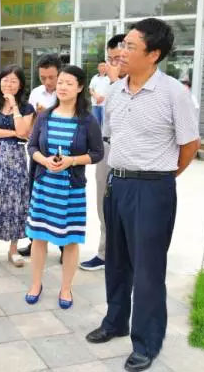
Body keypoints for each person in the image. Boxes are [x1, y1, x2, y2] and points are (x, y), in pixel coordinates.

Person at [85, 19, 199, 372]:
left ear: (154, 54)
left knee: (148, 270)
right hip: (116, 185)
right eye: (123, 46)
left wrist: (161, 176)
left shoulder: (174, 93)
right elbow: (113, 136)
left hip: (152, 189)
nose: (121, 52)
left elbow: (189, 145)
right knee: (116, 261)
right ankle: (115, 321)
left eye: (131, 46)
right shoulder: (115, 92)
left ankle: (147, 342)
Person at [24, 65, 103, 310]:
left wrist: (72, 161)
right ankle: (36, 284)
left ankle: (66, 288)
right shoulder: (44, 116)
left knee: (70, 240)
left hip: (71, 190)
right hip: (44, 187)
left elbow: (97, 153)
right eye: (60, 82)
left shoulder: (87, 120)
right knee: (38, 238)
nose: (63, 87)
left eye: (69, 83)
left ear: (80, 88)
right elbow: (31, 147)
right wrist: (44, 160)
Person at [80, 33, 127, 271]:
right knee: (103, 203)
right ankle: (104, 252)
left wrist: (116, 82)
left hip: (130, 153)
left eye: (118, 58)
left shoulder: (130, 86)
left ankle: (127, 255)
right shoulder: (110, 85)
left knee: (127, 206)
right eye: (111, 59)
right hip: (106, 148)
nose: (114, 64)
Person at [0, 65, 34, 268]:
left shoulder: (26, 108)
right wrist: (13, 133)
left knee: (15, 202)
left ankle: (13, 249)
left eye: (14, 81)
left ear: (20, 85)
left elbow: (24, 131)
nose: (9, 84)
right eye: (5, 80)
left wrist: (14, 106)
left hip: (16, 161)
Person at [19, 54, 64, 261]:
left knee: (60, 198)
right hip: (38, 151)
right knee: (35, 196)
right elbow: (30, 124)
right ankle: (34, 241)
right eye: (43, 77)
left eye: (51, 77)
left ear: (59, 74)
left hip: (61, 151)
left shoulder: (67, 91)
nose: (47, 82)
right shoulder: (36, 93)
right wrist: (37, 116)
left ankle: (64, 246)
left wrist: (47, 113)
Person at [89, 62, 110, 128]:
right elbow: (91, 89)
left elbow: (112, 90)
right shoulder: (94, 77)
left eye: (103, 66)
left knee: (105, 125)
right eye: (100, 66)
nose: (102, 67)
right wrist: (96, 97)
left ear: (106, 67)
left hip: (105, 105)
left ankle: (104, 135)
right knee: (95, 124)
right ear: (98, 68)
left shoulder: (110, 77)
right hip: (95, 104)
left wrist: (102, 98)